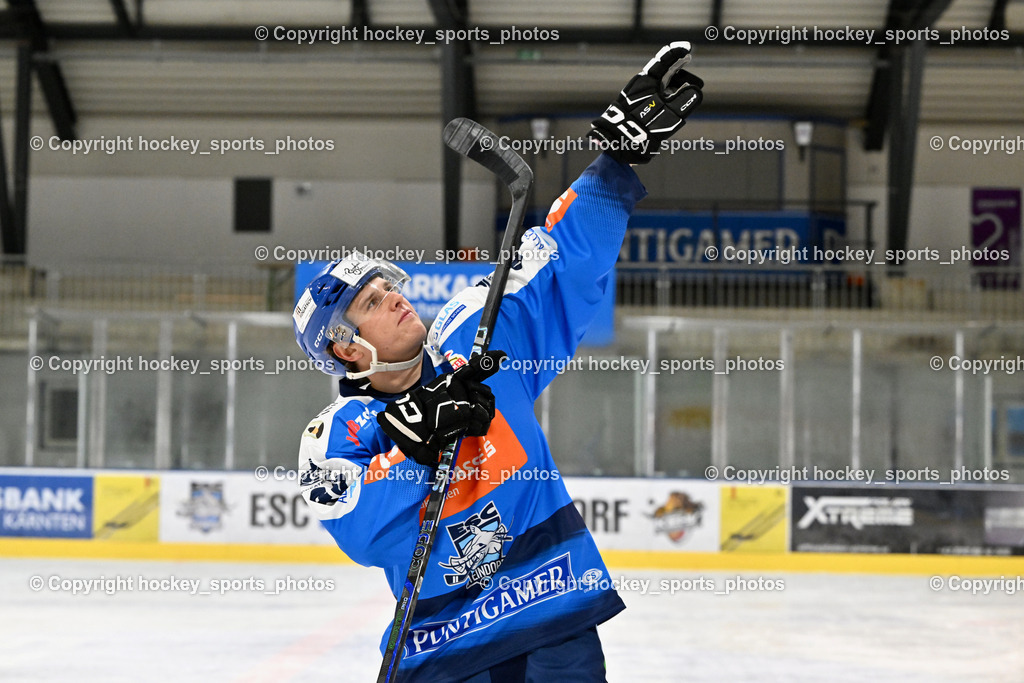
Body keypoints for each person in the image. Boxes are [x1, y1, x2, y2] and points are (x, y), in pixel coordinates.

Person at [294, 42, 703, 683]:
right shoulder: (337, 433)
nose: (396, 297)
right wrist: (418, 440)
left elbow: (562, 262)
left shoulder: (474, 336)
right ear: (345, 348)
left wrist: (614, 164)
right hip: (445, 652)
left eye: (390, 286)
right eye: (374, 301)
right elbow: (356, 526)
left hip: (552, 625)